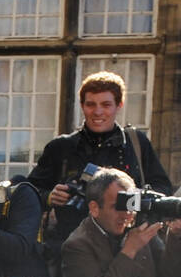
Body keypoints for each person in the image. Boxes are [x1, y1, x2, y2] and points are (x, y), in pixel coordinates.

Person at [29, 71, 173, 249]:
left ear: (119, 105)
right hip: (72, 245)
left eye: (106, 105)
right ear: (82, 105)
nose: (97, 112)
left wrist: (131, 199)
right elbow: (29, 191)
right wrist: (50, 196)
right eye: (91, 104)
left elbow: (163, 189)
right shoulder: (61, 147)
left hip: (129, 244)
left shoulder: (136, 143)